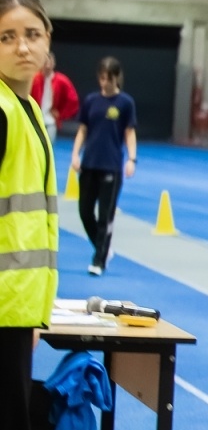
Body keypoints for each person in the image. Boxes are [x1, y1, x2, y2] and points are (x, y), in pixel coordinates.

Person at [0, 0, 61, 430]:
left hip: (15, 313)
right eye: (8, 35)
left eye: (32, 34)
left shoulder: (29, 113)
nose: (22, 46)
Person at [70, 57, 136, 276]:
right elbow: (83, 129)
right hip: (90, 163)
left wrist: (131, 159)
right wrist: (75, 154)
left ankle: (99, 260)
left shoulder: (125, 103)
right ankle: (103, 247)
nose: (104, 82)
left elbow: (129, 132)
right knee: (85, 212)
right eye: (101, 78)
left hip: (111, 167)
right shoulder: (91, 101)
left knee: (105, 214)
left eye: (108, 78)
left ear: (117, 77)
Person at [29, 50, 78, 144]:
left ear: (53, 63)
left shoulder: (61, 80)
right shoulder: (33, 79)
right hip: (35, 119)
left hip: (51, 121)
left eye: (49, 63)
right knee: (34, 146)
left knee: (48, 147)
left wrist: (61, 114)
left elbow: (73, 99)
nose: (47, 66)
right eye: (45, 63)